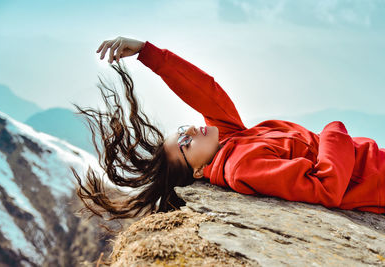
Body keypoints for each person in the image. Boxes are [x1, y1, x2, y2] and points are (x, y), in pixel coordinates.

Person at [72, 36, 385, 221]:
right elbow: (326, 190)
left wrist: (146, 51)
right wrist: (333, 134)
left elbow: (205, 90)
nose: (192, 129)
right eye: (184, 142)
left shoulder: (232, 140)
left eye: (183, 128)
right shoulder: (240, 166)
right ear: (197, 172)